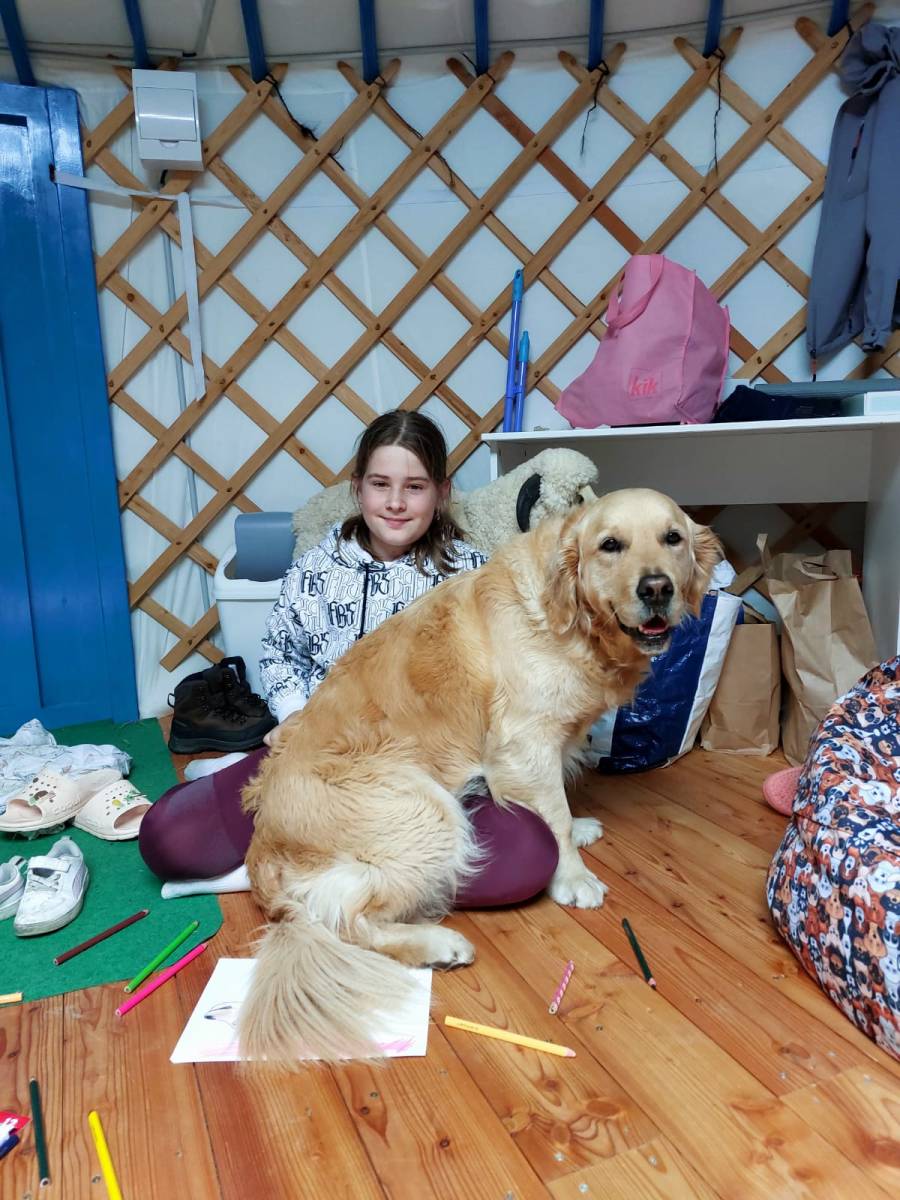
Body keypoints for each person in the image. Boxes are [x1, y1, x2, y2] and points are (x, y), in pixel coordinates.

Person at [140, 411, 559, 906]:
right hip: (323, 758)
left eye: (415, 487)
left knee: (529, 857)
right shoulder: (317, 567)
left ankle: (312, 869)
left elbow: (504, 679)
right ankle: (349, 871)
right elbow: (280, 652)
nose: (396, 502)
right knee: (167, 838)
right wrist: (296, 717)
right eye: (381, 484)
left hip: (427, 777)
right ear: (358, 489)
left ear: (442, 493)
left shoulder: (470, 575)